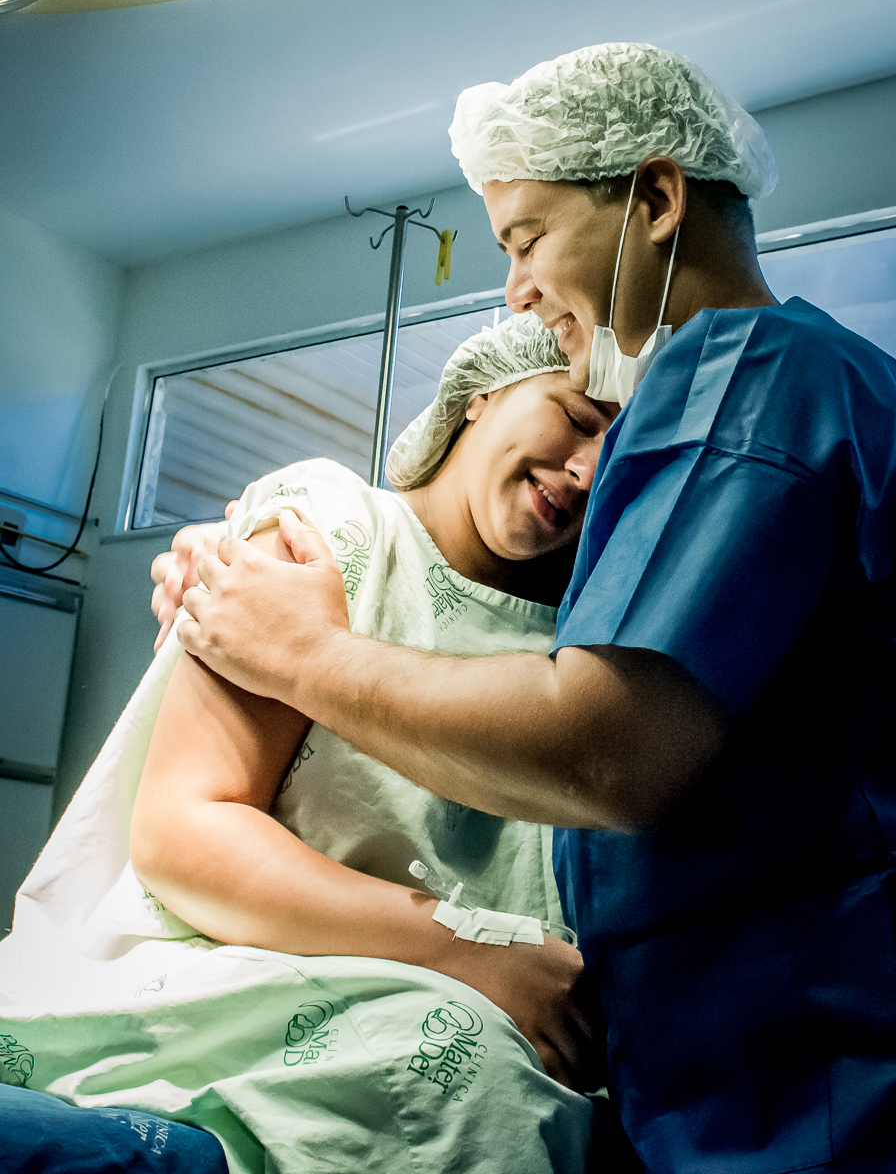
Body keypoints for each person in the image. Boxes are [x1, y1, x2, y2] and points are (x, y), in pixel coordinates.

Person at [173, 42, 896, 1174]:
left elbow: (604, 749)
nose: (513, 286)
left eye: (524, 239)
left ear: (657, 199)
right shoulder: (335, 521)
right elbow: (182, 824)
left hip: (817, 1058)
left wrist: (304, 654)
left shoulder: (747, 378)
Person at [0, 315, 615, 1174]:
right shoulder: (330, 527)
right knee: (473, 1079)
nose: (589, 470)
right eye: (580, 417)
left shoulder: (586, 655)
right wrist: (478, 953)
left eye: (621, 454)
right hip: (230, 975)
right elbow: (186, 835)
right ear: (485, 395)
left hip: (462, 1010)